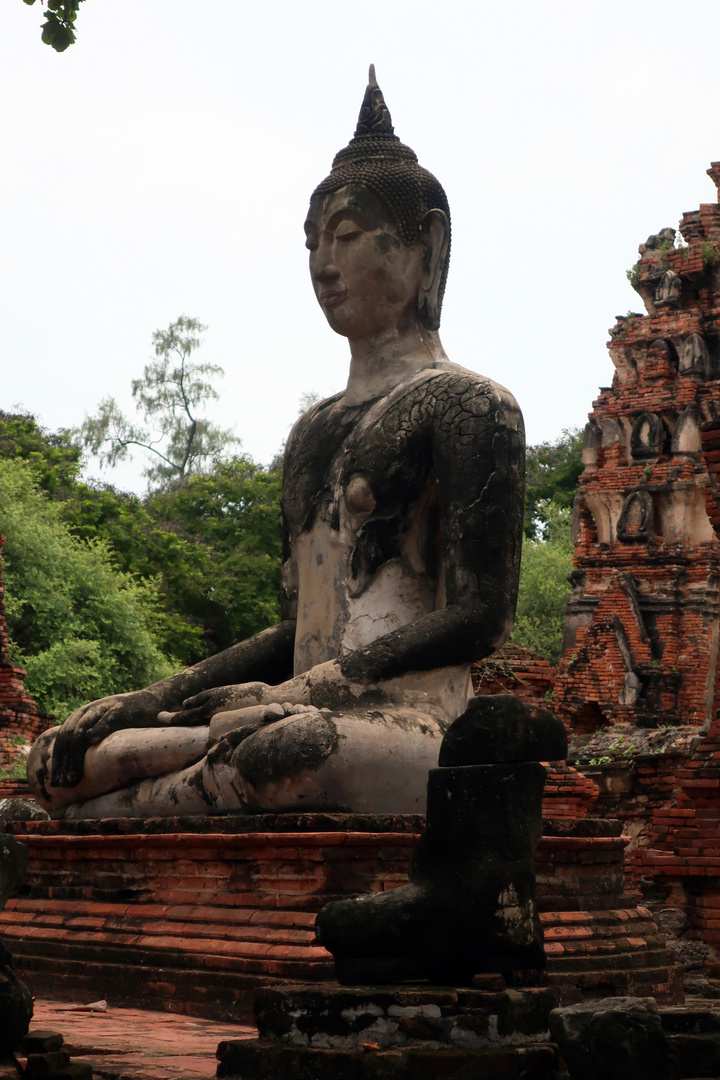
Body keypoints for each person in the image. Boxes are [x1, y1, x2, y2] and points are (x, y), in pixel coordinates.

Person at [27, 66, 525, 819]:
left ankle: (123, 810)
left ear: (425, 244)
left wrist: (302, 691)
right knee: (66, 754)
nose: (325, 264)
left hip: (404, 719)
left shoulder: (470, 406)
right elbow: (298, 629)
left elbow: (481, 616)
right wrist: (153, 695)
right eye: (313, 242)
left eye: (348, 236)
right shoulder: (310, 432)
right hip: (278, 707)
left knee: (280, 756)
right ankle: (137, 792)